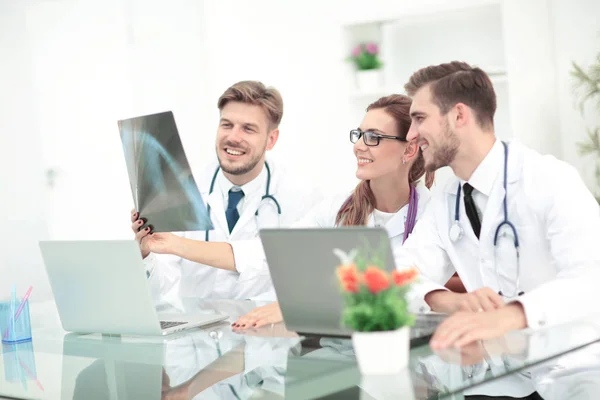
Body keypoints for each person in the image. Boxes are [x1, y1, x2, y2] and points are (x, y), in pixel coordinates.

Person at [394, 61, 600, 354]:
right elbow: (400, 270)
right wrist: (449, 300)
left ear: (458, 115)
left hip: (568, 368)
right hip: (494, 371)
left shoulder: (549, 179)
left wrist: (509, 316)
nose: (411, 134)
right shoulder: (446, 199)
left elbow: (592, 277)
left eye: (419, 118)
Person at [232, 94, 435, 329]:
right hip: (337, 345)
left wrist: (301, 305)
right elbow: (279, 250)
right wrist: (181, 246)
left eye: (372, 137)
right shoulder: (337, 209)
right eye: (359, 135)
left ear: (409, 150)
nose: (358, 146)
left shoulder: (432, 215)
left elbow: (403, 288)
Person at [131, 80, 320, 302]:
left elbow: (302, 280)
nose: (233, 137)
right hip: (197, 333)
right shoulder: (181, 190)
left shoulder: (300, 199)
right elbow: (158, 290)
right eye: (227, 125)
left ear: (271, 139)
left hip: (265, 333)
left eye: (248, 128)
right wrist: (145, 253)